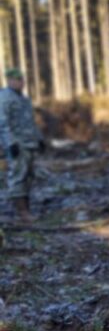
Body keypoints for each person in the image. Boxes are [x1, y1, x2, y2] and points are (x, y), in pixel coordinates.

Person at [0, 68, 44, 220]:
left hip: (29, 143)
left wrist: (40, 139)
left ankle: (27, 209)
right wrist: (10, 143)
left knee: (29, 176)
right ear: (10, 80)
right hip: (16, 144)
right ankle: (22, 212)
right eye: (18, 80)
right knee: (18, 176)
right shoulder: (4, 97)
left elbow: (31, 122)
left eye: (22, 79)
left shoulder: (24, 99)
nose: (21, 82)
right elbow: (2, 123)